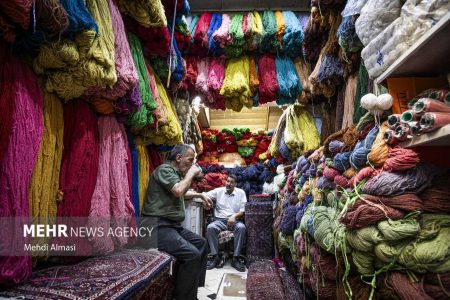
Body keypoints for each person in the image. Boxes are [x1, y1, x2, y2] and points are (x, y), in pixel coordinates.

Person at [139, 144, 213, 300]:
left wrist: (200, 195)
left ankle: (191, 291)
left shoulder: (175, 174)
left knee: (201, 244)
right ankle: (182, 297)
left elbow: (182, 192)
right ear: (178, 158)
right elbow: (179, 190)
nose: (192, 164)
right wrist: (192, 173)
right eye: (190, 160)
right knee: (192, 254)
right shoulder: (164, 170)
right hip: (156, 226)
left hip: (170, 226)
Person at [204, 174, 247, 272]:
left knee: (241, 227)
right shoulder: (218, 191)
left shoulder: (241, 193)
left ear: (235, 184)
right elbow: (204, 194)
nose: (228, 184)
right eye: (227, 181)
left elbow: (243, 210)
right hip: (219, 221)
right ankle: (215, 257)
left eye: (231, 182)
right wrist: (206, 202)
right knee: (210, 227)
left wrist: (234, 216)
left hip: (234, 220)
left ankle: (235, 258)